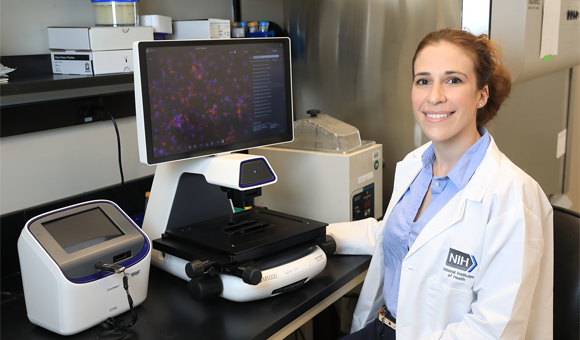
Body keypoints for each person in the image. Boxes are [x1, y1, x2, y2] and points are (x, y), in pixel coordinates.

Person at [330, 28, 553, 340]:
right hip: (384, 328)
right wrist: (316, 236)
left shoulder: (511, 196)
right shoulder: (415, 166)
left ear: (482, 95)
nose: (434, 96)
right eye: (423, 80)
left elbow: (494, 328)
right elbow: (403, 235)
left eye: (453, 80)